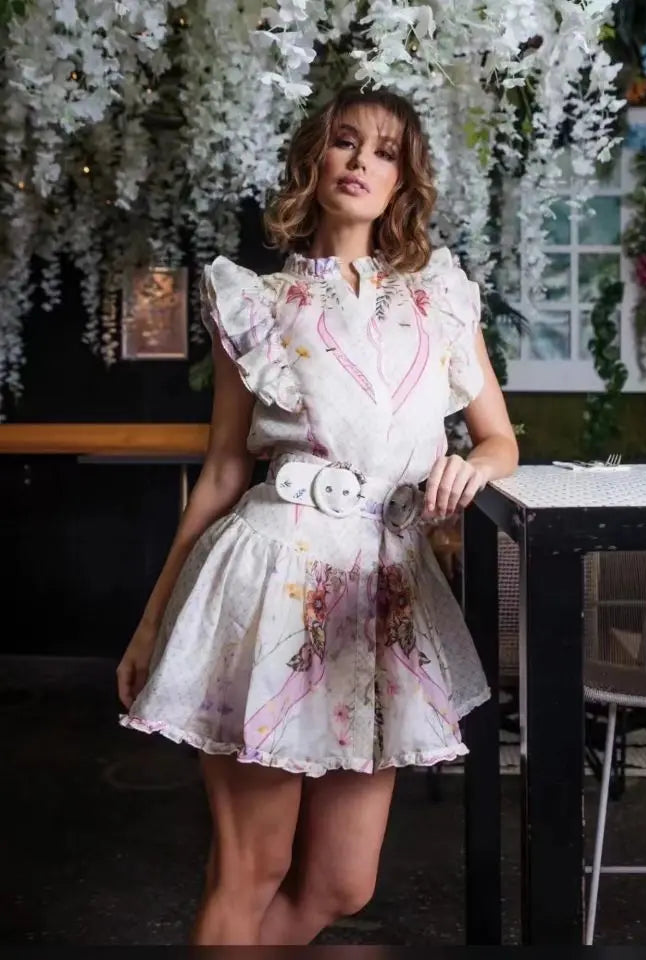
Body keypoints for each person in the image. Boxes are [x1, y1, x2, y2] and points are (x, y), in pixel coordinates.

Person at [116, 84, 518, 946]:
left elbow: (498, 441)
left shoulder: (440, 298)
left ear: (404, 181)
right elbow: (224, 471)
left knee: (342, 884)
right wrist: (153, 623)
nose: (362, 162)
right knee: (251, 870)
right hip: (271, 581)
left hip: (387, 595)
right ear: (316, 159)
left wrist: (468, 465)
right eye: (345, 143)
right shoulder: (256, 303)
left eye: (384, 152)